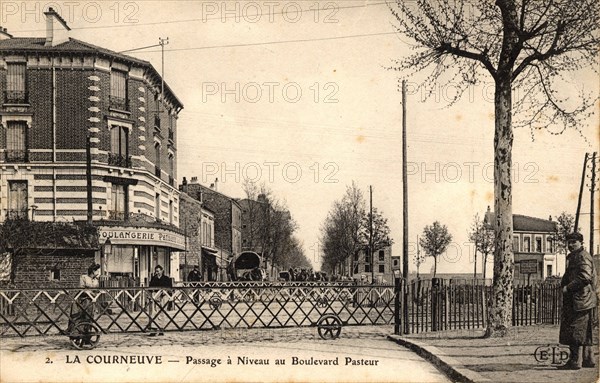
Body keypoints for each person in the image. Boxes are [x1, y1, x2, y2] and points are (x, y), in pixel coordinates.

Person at [558, 232, 598, 370]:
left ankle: (575, 362)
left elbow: (585, 277)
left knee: (575, 330)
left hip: (580, 300)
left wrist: (568, 288)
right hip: (582, 299)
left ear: (581, 242)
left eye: (574, 242)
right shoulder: (575, 256)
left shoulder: (582, 257)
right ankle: (588, 360)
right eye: (569, 242)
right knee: (585, 331)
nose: (570, 245)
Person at [66, 263, 101, 335]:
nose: (98, 273)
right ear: (93, 271)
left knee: (89, 318)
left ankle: (87, 336)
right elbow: (82, 289)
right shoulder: (83, 277)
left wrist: (95, 293)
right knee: (79, 317)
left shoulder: (96, 280)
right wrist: (91, 293)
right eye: (97, 271)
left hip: (91, 301)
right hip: (82, 300)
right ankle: (76, 334)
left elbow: (97, 291)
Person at [148, 265, 172, 336]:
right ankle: (153, 329)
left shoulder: (166, 279)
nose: (157, 273)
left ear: (162, 270)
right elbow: (150, 287)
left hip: (163, 296)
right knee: (153, 312)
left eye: (158, 271)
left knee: (162, 312)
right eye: (156, 271)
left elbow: (170, 288)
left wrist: (167, 293)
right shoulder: (153, 278)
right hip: (155, 295)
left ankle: (161, 328)